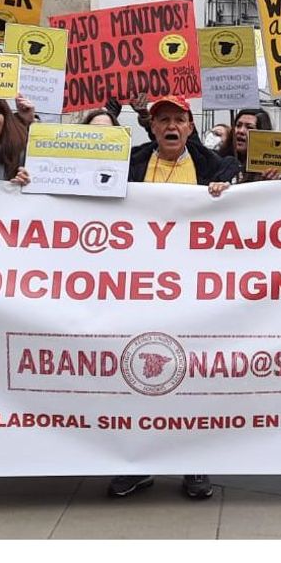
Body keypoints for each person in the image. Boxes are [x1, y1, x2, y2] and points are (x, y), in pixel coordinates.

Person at [111, 95, 238, 500]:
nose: (170, 126)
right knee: (136, 377)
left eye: (178, 119)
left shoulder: (216, 167)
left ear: (189, 126)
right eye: (162, 119)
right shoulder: (127, 163)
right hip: (137, 289)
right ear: (151, 127)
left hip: (195, 292)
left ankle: (194, 465)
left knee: (193, 379)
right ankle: (137, 466)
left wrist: (227, 193)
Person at [219, 108, 281, 183]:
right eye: (238, 125)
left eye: (249, 127)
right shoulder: (219, 161)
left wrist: (271, 182)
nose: (241, 131)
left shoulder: (273, 169)